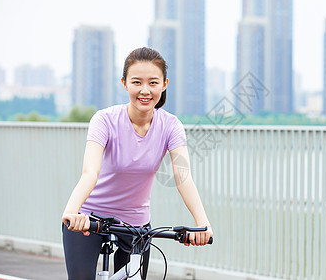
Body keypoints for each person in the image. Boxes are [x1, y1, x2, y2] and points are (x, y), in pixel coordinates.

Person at [61, 47, 213, 279]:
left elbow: (183, 177)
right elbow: (89, 172)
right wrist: (72, 212)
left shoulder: (171, 126)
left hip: (135, 226)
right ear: (124, 84)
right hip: (88, 220)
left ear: (164, 84)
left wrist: (203, 224)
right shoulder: (104, 120)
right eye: (136, 82)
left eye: (153, 83)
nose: (145, 90)